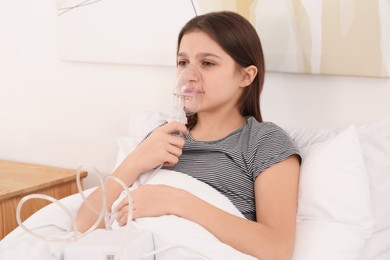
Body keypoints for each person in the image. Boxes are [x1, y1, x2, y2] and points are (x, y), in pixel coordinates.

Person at [76, 11, 301, 259]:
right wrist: (134, 161)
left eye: (207, 63)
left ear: (246, 76)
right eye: (183, 63)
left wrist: (176, 201)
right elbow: (83, 226)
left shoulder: (264, 141)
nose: (189, 76)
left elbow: (277, 249)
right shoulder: (161, 137)